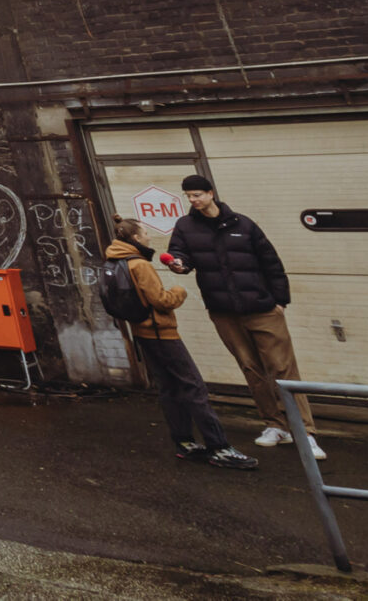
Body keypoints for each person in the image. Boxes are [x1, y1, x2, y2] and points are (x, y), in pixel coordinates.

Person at [165, 174, 325, 459]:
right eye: (188, 196)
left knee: (282, 368)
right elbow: (180, 255)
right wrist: (178, 264)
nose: (193, 200)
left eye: (198, 194)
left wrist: (280, 301)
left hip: (262, 309)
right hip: (224, 312)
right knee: (251, 369)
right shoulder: (185, 226)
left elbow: (271, 262)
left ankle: (305, 433)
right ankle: (275, 426)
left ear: (211, 193)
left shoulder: (243, 224)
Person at [102, 217, 257, 469]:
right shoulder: (139, 264)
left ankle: (184, 442)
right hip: (162, 333)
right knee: (194, 387)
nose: (149, 237)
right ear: (135, 239)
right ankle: (219, 447)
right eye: (145, 233)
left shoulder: (114, 260)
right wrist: (179, 292)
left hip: (142, 332)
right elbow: (161, 300)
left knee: (170, 389)